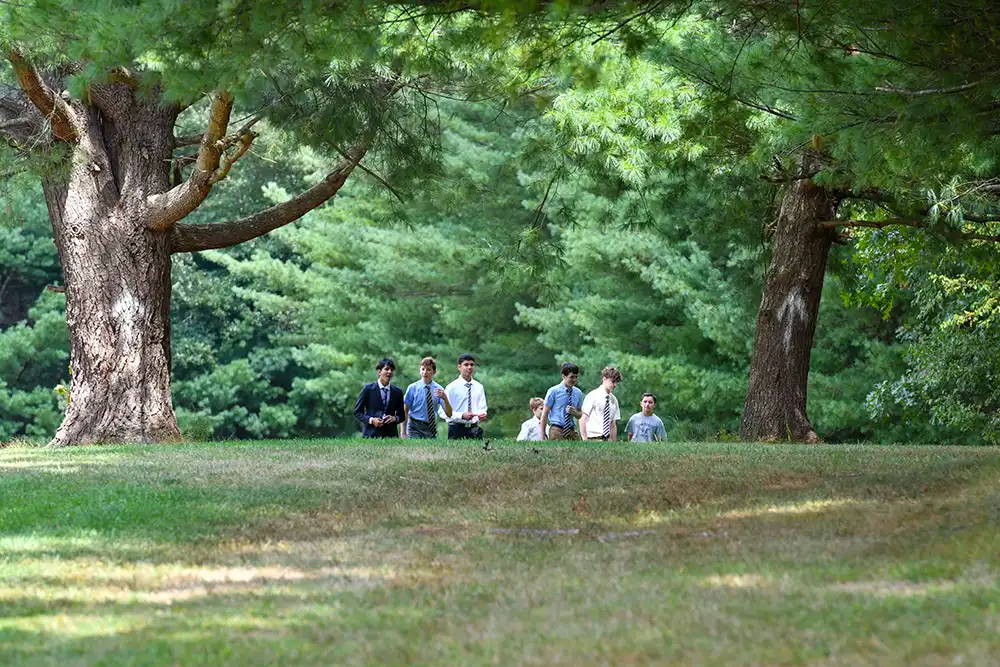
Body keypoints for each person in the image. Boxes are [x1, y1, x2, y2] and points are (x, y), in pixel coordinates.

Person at [353, 358, 405, 438]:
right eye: (387, 369)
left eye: (391, 370)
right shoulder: (368, 389)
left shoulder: (397, 392)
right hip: (370, 435)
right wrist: (371, 420)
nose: (389, 372)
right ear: (379, 371)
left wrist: (394, 418)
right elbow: (357, 412)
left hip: (391, 437)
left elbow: (401, 416)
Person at [402, 357, 452, 439]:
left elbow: (449, 414)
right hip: (414, 426)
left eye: (428, 369)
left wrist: (445, 399)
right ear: (420, 371)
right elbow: (405, 410)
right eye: (423, 369)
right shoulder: (412, 388)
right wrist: (403, 432)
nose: (425, 372)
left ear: (434, 372)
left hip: (430, 426)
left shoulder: (439, 389)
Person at [441, 354, 488, 440]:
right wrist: (461, 415)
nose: (469, 367)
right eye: (466, 365)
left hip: (474, 428)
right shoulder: (451, 388)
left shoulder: (479, 387)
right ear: (459, 367)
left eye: (472, 365)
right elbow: (442, 412)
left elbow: (482, 407)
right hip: (456, 429)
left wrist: (482, 415)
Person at [539, 362, 584, 441]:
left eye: (576, 377)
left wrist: (574, 412)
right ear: (563, 376)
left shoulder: (578, 393)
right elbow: (544, 414)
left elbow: (580, 415)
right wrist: (542, 435)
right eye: (571, 377)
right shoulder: (553, 391)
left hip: (571, 430)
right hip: (556, 430)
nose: (574, 380)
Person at [579, 366, 622, 441]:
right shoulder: (593, 396)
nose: (615, 385)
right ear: (604, 379)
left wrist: (614, 443)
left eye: (616, 382)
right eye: (612, 381)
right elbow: (583, 419)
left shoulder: (614, 400)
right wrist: (584, 439)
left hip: (608, 440)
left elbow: (613, 424)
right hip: (593, 438)